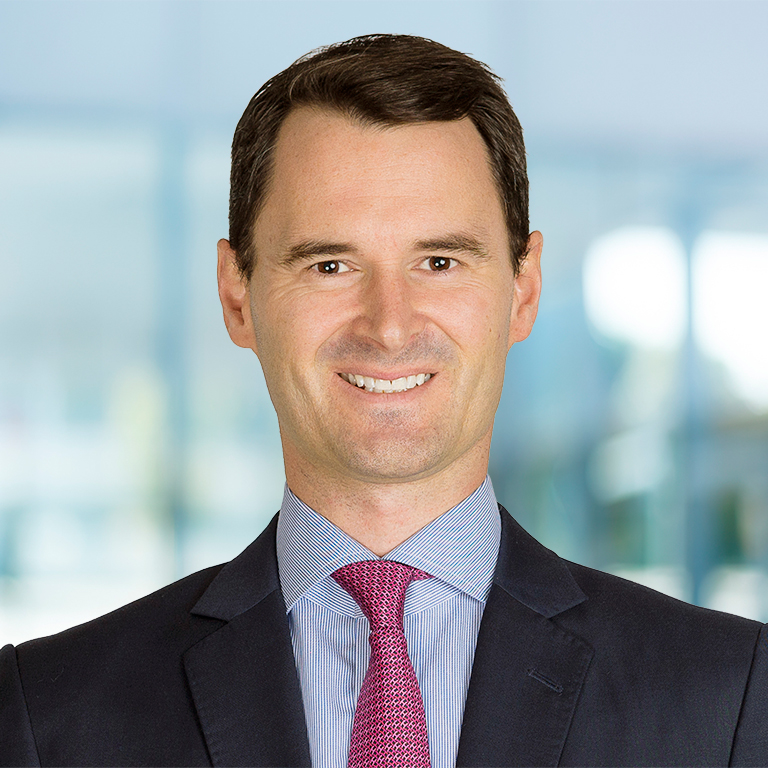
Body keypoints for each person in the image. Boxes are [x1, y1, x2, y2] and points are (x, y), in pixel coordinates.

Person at [1, 33, 766, 768]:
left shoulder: (728, 697)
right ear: (237, 295)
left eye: (439, 261)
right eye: (330, 265)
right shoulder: (49, 715)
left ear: (524, 289)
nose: (389, 325)